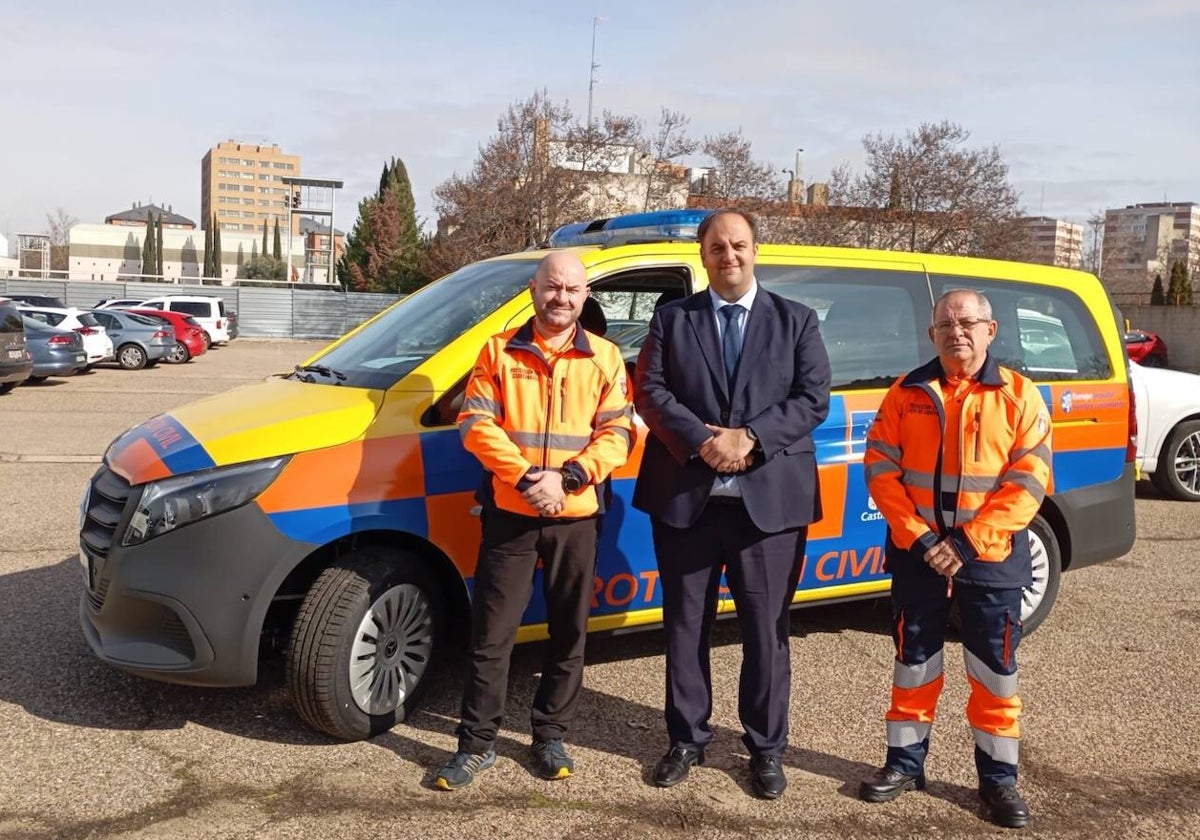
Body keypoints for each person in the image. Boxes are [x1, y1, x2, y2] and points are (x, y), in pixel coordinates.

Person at [633, 209, 831, 800]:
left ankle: (765, 749)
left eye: (738, 245)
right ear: (703, 254)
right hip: (687, 501)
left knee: (766, 633)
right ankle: (687, 739)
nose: (729, 256)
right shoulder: (672, 319)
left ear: (755, 250)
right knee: (684, 627)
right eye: (717, 246)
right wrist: (704, 439)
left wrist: (751, 438)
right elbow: (649, 389)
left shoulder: (796, 321)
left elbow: (812, 396)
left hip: (767, 508)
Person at [435, 251, 635, 790]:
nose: (561, 297)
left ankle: (550, 735)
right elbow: (475, 424)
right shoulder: (497, 351)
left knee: (569, 631)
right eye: (552, 286)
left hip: (576, 515)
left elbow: (618, 434)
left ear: (586, 296)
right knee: (491, 636)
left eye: (572, 289)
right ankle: (477, 745)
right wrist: (527, 478)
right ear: (533, 288)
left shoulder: (607, 359)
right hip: (511, 514)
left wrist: (567, 480)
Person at [860, 289, 1052, 829]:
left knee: (994, 671)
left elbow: (1028, 481)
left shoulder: (1019, 395)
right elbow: (880, 470)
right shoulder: (905, 393)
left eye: (968, 322)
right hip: (918, 554)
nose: (957, 331)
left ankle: (998, 781)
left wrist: (967, 543)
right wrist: (921, 539)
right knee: (913, 660)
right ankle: (903, 764)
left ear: (991, 331)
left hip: (989, 558)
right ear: (931, 336)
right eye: (946, 324)